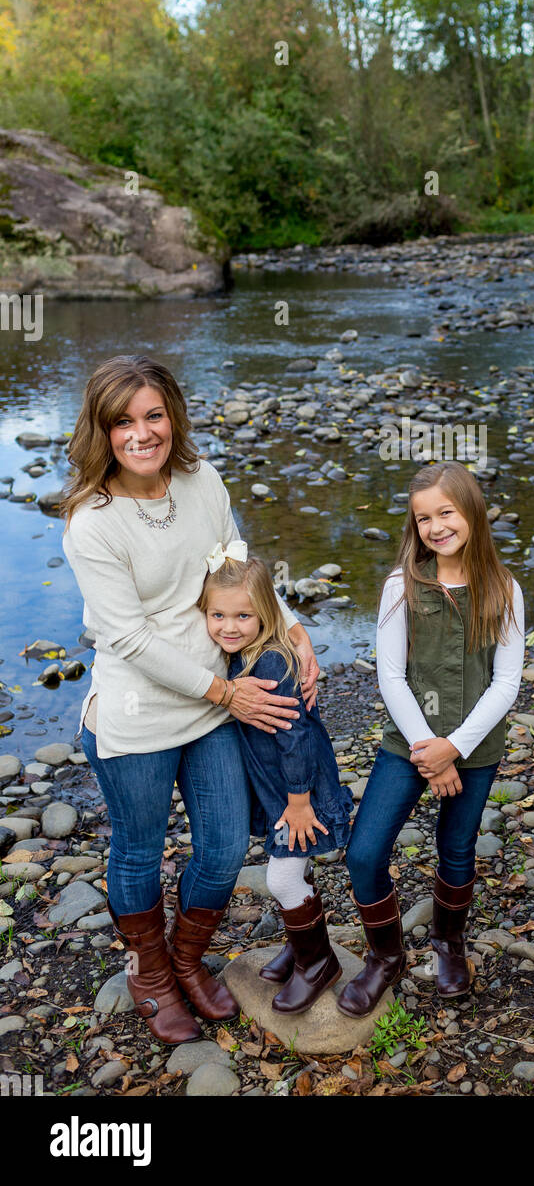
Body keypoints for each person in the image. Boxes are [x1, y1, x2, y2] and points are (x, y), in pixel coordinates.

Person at [62, 355, 319, 1045]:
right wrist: (227, 691)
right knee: (140, 851)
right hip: (140, 715)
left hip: (213, 710)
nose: (142, 433)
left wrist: (290, 626)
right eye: (123, 421)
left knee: (226, 844)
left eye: (153, 415)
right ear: (102, 430)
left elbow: (238, 562)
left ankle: (185, 957)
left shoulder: (202, 480)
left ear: (173, 414)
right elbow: (129, 638)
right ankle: (149, 972)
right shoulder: (92, 523)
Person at [337, 461, 525, 1017]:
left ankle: (448, 943)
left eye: (446, 512)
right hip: (409, 745)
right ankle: (385, 956)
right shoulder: (403, 585)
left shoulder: (503, 588)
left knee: (457, 849)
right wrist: (428, 749)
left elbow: (507, 681)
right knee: (364, 852)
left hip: (474, 748)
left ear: (471, 511)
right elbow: (390, 675)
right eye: (423, 518)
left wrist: (456, 749)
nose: (436, 526)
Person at [199, 545, 353, 1014]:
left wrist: (300, 801)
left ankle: (318, 962)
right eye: (217, 615)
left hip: (298, 788)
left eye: (243, 615)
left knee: (282, 877)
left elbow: (295, 738)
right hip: (282, 788)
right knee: (297, 867)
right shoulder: (242, 653)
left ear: (267, 612)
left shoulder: (270, 662)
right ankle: (302, 942)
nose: (228, 626)